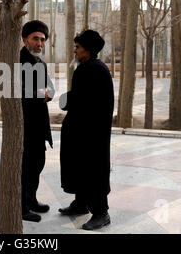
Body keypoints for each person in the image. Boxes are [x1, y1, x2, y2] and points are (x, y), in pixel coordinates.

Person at [58, 29, 114, 231]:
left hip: (92, 135)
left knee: (93, 170)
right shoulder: (88, 68)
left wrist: (64, 99)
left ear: (88, 50)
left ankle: (101, 213)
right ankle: (81, 204)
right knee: (80, 167)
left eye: (78, 47)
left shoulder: (94, 70)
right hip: (82, 131)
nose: (75, 51)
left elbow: (82, 100)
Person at [20, 20, 55, 223]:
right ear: (25, 39)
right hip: (24, 124)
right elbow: (15, 92)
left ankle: (31, 200)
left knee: (37, 164)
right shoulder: (17, 60)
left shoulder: (41, 63)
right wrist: (38, 94)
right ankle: (22, 206)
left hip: (39, 122)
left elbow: (50, 88)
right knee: (25, 167)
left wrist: (46, 93)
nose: (39, 43)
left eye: (42, 40)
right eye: (35, 38)